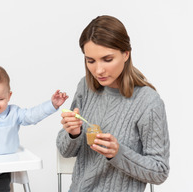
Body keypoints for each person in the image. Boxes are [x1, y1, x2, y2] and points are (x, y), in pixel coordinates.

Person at [56, 15, 170, 192]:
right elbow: (65, 151)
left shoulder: (148, 102)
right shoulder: (85, 87)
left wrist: (118, 153)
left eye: (107, 59)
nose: (98, 70)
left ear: (126, 54)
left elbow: (159, 171)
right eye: (90, 61)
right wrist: (73, 134)